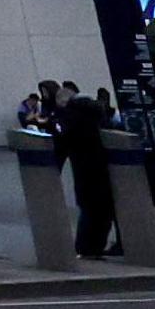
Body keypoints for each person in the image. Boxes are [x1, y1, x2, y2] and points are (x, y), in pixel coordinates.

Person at [55, 82, 119, 259]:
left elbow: (61, 146)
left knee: (89, 208)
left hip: (83, 167)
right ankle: (101, 245)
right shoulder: (98, 113)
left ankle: (86, 248)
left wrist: (55, 167)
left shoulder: (71, 118)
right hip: (105, 165)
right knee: (106, 208)